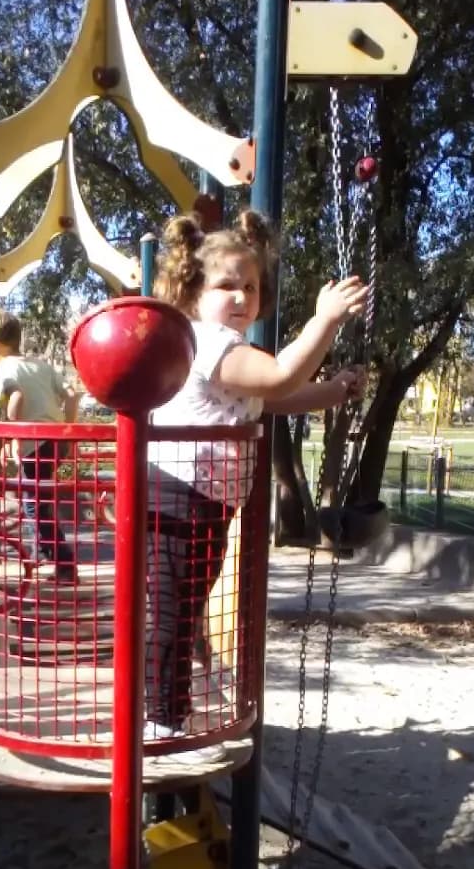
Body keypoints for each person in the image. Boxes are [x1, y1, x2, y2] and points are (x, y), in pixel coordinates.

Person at [145, 209, 368, 761]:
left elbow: (276, 396)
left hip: (205, 501)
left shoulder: (228, 349)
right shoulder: (210, 343)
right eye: (227, 285)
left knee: (183, 607)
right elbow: (277, 376)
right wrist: (326, 320)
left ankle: (166, 711)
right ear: (193, 290)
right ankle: (158, 722)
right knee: (172, 612)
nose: (242, 296)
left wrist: (335, 391)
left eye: (250, 285)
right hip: (178, 495)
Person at [0, 311, 79, 583]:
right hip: (56, 440)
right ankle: (44, 553)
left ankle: (64, 564)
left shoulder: (5, 367)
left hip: (35, 443)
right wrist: (68, 429)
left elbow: (17, 396)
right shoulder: (40, 365)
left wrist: (13, 437)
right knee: (36, 499)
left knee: (33, 503)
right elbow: (72, 395)